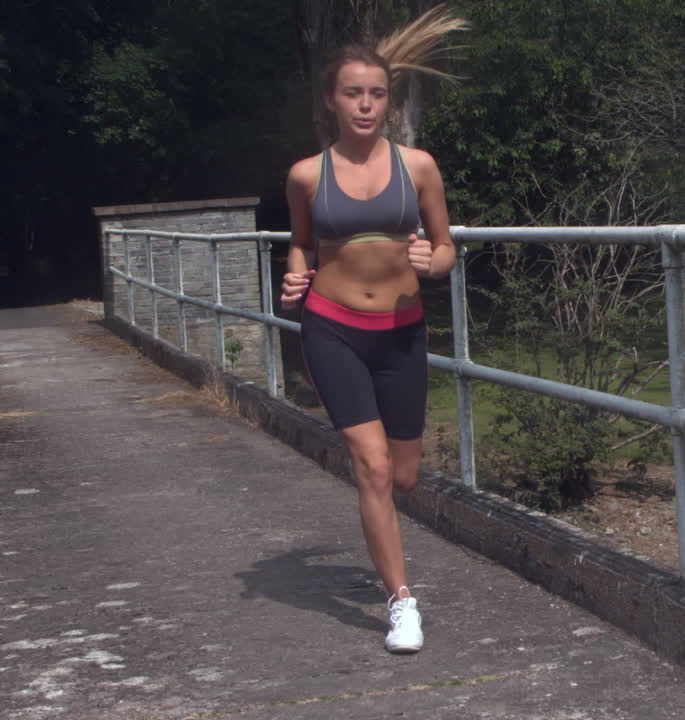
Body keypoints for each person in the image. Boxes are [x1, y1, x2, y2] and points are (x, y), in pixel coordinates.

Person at [279, 8, 463, 654]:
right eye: (353, 93)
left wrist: (430, 262)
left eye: (377, 94)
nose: (365, 105)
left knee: (406, 474)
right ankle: (401, 603)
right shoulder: (307, 174)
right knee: (374, 467)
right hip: (332, 329)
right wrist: (295, 275)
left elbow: (445, 249)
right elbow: (301, 245)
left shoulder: (418, 167)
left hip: (402, 331)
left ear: (389, 100)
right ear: (331, 100)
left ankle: (385, 554)